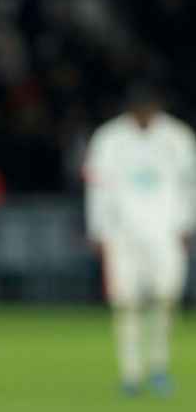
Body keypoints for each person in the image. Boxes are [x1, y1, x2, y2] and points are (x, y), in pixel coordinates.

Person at [84, 83, 196, 397]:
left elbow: (190, 185)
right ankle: (131, 373)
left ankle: (158, 366)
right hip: (123, 234)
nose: (144, 115)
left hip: (166, 232)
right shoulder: (109, 138)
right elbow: (97, 188)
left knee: (166, 298)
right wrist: (99, 230)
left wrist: (187, 225)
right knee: (126, 304)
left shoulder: (178, 137)